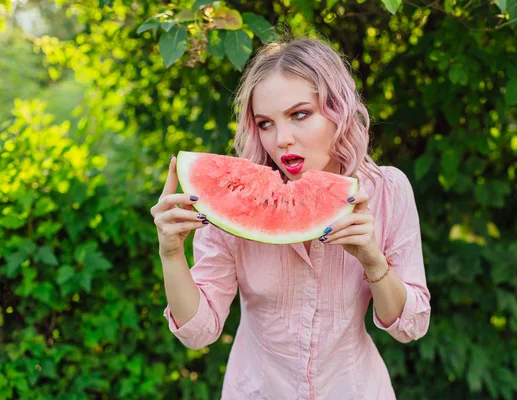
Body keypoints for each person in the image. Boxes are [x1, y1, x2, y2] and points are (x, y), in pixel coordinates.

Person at [151, 36, 431, 399]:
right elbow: (199, 332)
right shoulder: (233, 200)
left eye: (300, 115)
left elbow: (411, 327)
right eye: (265, 123)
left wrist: (373, 261)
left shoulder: (387, 191)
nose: (281, 139)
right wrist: (171, 254)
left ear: (338, 109)